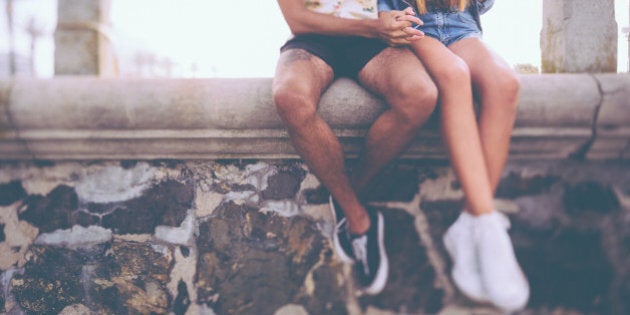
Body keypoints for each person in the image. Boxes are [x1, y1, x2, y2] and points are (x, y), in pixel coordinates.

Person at [273, 0, 438, 295]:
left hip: (376, 41)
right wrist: (373, 26)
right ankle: (358, 218)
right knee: (289, 97)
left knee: (420, 95)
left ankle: (346, 195)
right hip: (313, 41)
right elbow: (298, 19)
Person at [377, 0, 529, 312]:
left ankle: (470, 222)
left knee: (506, 83)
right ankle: (487, 225)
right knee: (454, 75)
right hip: (415, 28)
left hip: (462, 28)